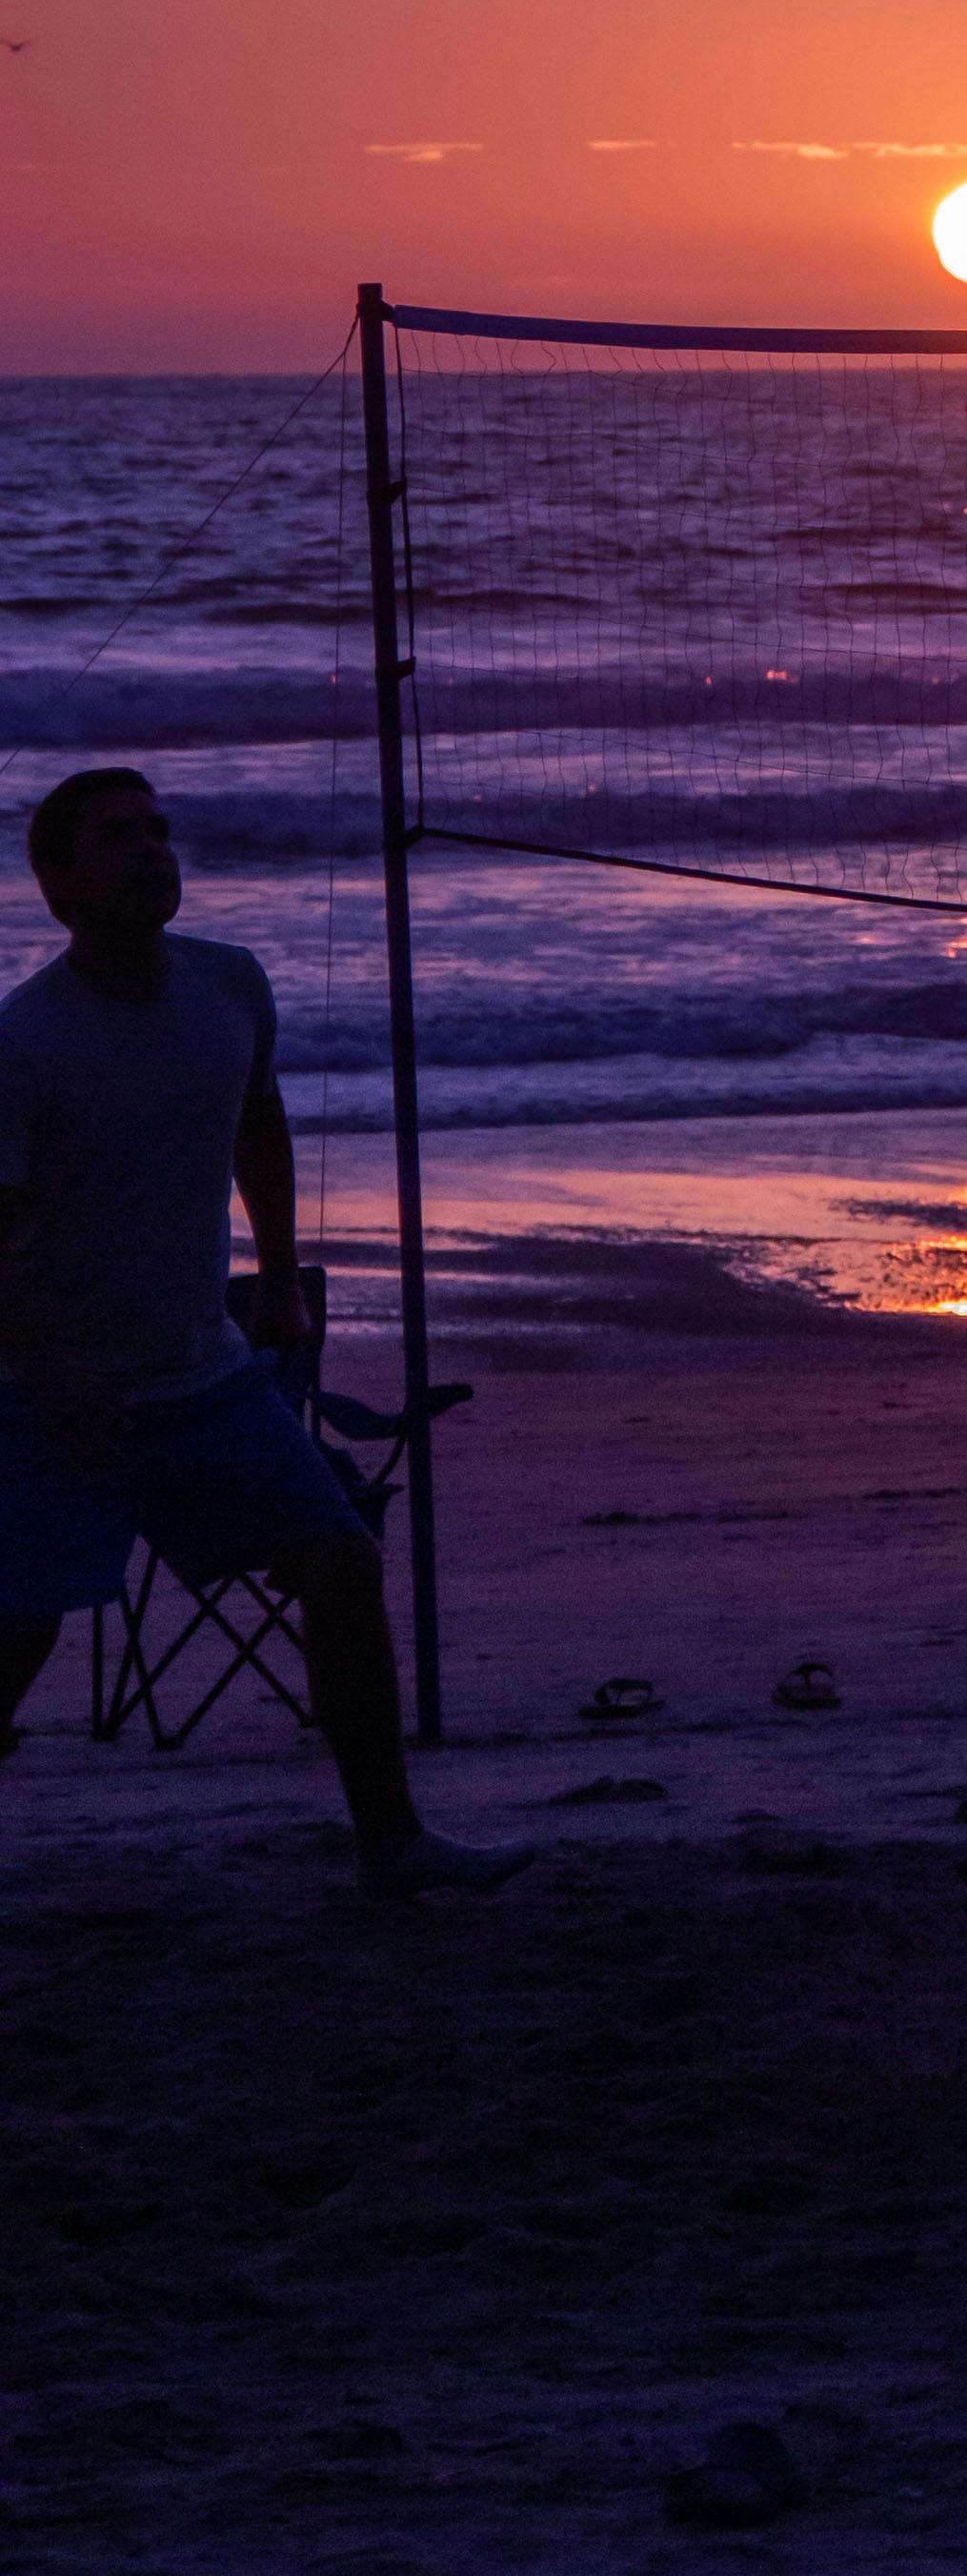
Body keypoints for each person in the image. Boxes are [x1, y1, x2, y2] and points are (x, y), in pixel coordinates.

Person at [0, 768, 529, 1897]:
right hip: (57, 1390)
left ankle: (393, 1844)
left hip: (204, 1377)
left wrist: (279, 1273)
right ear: (57, 883)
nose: (151, 851)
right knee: (13, 1636)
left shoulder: (230, 985)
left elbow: (258, 1121)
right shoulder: (24, 1041)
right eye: (117, 839)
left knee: (339, 1563)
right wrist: (46, 1369)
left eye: (159, 831)